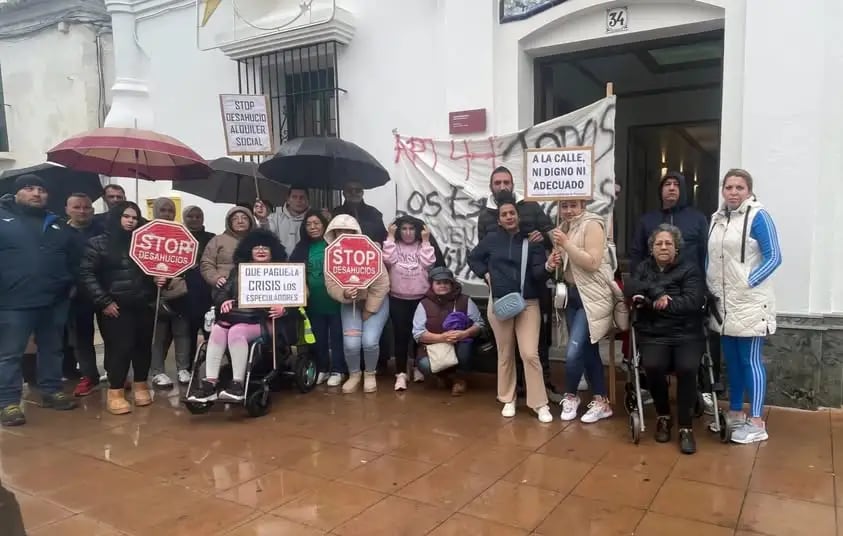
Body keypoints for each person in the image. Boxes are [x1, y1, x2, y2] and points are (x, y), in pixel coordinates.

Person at [629, 170, 719, 410]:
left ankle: (701, 389)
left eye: (675, 184)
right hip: (653, 296)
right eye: (666, 184)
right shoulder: (647, 220)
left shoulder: (697, 219)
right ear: (660, 190)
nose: (671, 188)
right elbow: (637, 257)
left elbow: (706, 255)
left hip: (688, 291)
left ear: (683, 190)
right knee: (652, 351)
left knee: (694, 350)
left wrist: (702, 288)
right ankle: (650, 388)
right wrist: (648, 288)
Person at [468, 193, 560, 423]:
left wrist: (548, 266)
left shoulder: (532, 240)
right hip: (499, 303)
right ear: (499, 220)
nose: (509, 217)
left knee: (529, 353)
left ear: (518, 216)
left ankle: (539, 403)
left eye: (512, 213)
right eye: (504, 214)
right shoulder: (491, 239)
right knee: (505, 353)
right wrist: (485, 274)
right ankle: (508, 398)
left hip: (528, 303)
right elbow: (474, 258)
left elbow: (538, 275)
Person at [707, 168, 781, 445]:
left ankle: (758, 421)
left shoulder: (759, 216)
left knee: (751, 360)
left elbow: (774, 256)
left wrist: (748, 281)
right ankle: (736, 412)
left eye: (739, 187)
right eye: (729, 187)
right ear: (723, 190)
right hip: (723, 304)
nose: (733, 192)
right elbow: (710, 258)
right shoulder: (717, 218)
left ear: (749, 191)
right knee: (733, 361)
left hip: (749, 302)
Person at [0, 175, 79, 426]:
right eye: (29, 188)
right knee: (9, 354)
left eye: (41, 189)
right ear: (16, 193)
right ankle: (8, 403)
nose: (36, 193)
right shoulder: (3, 219)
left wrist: (70, 285)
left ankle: (51, 391)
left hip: (54, 301)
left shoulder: (57, 224)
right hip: (13, 301)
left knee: (52, 350)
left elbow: (74, 260)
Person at [78, 202, 170, 415]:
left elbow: (154, 268)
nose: (131, 221)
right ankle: (116, 391)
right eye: (126, 216)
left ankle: (141, 385)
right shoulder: (98, 243)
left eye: (135, 217)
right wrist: (104, 301)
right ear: (116, 217)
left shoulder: (145, 243)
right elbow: (86, 274)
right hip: (116, 306)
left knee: (143, 347)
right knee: (120, 349)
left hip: (144, 304)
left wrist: (159, 279)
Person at [626, 224, 706, 454]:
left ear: (676, 248)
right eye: (658, 243)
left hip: (686, 333)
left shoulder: (690, 269)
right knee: (652, 365)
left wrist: (657, 304)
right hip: (654, 333)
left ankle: (685, 427)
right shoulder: (644, 267)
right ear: (651, 248)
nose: (663, 247)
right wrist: (657, 294)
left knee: (687, 368)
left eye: (668, 243)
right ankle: (663, 416)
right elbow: (631, 285)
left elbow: (692, 302)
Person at [188, 229, 287, 403]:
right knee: (218, 329)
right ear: (249, 250)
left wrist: (284, 308)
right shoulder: (238, 271)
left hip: (267, 321)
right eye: (256, 247)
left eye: (265, 247)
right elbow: (222, 292)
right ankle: (210, 384)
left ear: (273, 251)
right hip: (238, 317)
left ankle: (238, 385)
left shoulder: (284, 271)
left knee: (236, 331)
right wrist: (224, 301)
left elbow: (300, 295)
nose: (261, 250)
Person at [551, 199, 616, 424]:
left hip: (591, 297)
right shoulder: (563, 228)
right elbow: (566, 266)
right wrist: (553, 262)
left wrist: (566, 244)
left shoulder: (593, 224)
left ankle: (570, 395)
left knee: (573, 352)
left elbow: (592, 262)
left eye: (573, 205)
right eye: (564, 206)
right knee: (588, 350)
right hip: (572, 296)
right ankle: (601, 401)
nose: (568, 210)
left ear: (583, 206)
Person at [324, 215, 390, 394]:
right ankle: (354, 374)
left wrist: (370, 309)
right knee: (351, 344)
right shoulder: (331, 255)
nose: (344, 234)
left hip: (375, 302)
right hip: (349, 304)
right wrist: (345, 293)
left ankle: (370, 374)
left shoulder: (370, 250)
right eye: (339, 230)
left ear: (355, 232)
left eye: (348, 230)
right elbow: (331, 284)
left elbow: (382, 284)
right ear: (333, 233)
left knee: (369, 341)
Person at [290, 210, 346, 387]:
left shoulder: (335, 244)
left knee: (337, 337)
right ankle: (322, 368)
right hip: (313, 302)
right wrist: (302, 285)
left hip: (336, 301)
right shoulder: (301, 248)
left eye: (316, 223)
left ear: (324, 225)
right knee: (318, 337)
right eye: (308, 224)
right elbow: (293, 272)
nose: (312, 227)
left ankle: (338, 370)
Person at [384, 215, 436, 391]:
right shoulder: (394, 244)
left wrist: (426, 240)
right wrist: (390, 237)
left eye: (411, 229)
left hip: (420, 298)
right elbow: (387, 259)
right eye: (404, 229)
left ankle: (416, 367)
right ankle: (401, 374)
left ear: (418, 230)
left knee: (418, 336)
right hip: (397, 298)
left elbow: (429, 262)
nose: (408, 233)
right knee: (400, 336)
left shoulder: (422, 245)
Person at [413, 267, 483, 396]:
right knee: (424, 364)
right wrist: (442, 337)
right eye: (438, 283)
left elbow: (479, 324)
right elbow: (418, 333)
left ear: (452, 284)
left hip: (459, 345)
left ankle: (460, 379)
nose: (442, 286)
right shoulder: (423, 304)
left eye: (446, 282)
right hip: (436, 347)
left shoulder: (465, 300)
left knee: (466, 347)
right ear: (432, 285)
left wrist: (465, 333)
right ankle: (444, 377)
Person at [65, 193, 106, 397]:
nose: (82, 211)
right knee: (82, 338)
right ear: (67, 210)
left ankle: (114, 371)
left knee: (112, 335)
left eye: (86, 207)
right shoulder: (61, 233)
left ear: (92, 210)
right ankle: (89, 375)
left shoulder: (103, 230)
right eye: (77, 207)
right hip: (77, 294)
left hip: (104, 291)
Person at [148, 198, 192, 388]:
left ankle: (183, 369)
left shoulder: (182, 234)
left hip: (179, 294)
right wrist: (153, 278)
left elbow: (189, 261)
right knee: (157, 336)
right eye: (163, 210)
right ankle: (157, 371)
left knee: (182, 333)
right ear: (156, 211)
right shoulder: (147, 234)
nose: (167, 214)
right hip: (154, 294)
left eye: (170, 210)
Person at [182, 206, 216, 367]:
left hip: (207, 293)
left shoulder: (212, 238)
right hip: (185, 294)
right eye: (191, 216)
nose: (195, 219)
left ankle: (211, 367)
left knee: (211, 334)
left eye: (198, 216)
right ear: (184, 218)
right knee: (188, 335)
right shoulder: (178, 237)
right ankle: (188, 368)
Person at [200, 206, 255, 294]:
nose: (240, 221)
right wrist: (215, 278)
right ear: (229, 223)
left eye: (244, 218)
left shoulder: (259, 240)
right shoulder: (218, 240)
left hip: (253, 287)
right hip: (225, 288)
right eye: (235, 219)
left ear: (251, 221)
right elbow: (207, 263)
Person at [268, 188, 310, 256]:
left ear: (307, 201)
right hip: (279, 260)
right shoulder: (274, 218)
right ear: (288, 200)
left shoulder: (313, 220)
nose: (298, 200)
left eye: (302, 197)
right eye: (294, 197)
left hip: (305, 260)